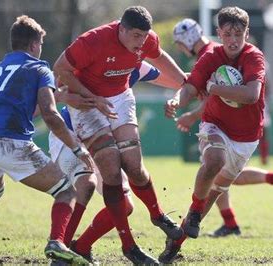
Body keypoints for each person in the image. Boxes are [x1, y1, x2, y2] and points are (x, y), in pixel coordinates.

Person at [0, 16, 94, 266]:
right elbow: (50, 115)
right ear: (35, 45)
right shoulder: (39, 68)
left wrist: (61, 98)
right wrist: (77, 148)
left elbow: (26, 109)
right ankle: (57, 243)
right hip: (12, 144)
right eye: (41, 45)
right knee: (66, 191)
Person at [53, 6, 187, 263]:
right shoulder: (92, 41)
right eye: (136, 36)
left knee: (134, 166)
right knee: (111, 170)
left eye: (144, 37)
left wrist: (185, 82)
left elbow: (159, 59)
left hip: (120, 98)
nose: (141, 43)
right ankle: (128, 246)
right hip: (86, 104)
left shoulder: (145, 42)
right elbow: (60, 69)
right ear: (121, 29)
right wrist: (91, 97)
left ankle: (157, 215)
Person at [171, 18, 273, 239]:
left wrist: (192, 115)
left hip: (234, 127)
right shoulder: (212, 52)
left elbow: (218, 94)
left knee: (217, 175)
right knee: (219, 175)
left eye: (179, 44)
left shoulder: (215, 52)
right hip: (223, 126)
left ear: (186, 40)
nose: (180, 48)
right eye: (228, 35)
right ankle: (233, 218)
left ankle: (225, 222)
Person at [160, 6, 273, 263]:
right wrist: (177, 100)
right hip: (215, 124)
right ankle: (195, 211)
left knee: (216, 192)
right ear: (218, 33)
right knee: (213, 161)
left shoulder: (253, 56)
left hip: (246, 136)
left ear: (247, 32)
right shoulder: (210, 55)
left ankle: (175, 244)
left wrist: (214, 87)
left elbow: (250, 95)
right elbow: (191, 86)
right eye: (228, 34)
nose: (233, 40)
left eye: (239, 33)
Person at [48, 61, 170, 264]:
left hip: (101, 139)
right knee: (86, 184)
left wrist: (202, 80)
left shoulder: (135, 62)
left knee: (125, 205)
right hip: (70, 134)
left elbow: (175, 78)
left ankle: (81, 247)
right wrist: (63, 96)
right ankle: (61, 254)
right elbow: (50, 90)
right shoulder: (90, 60)